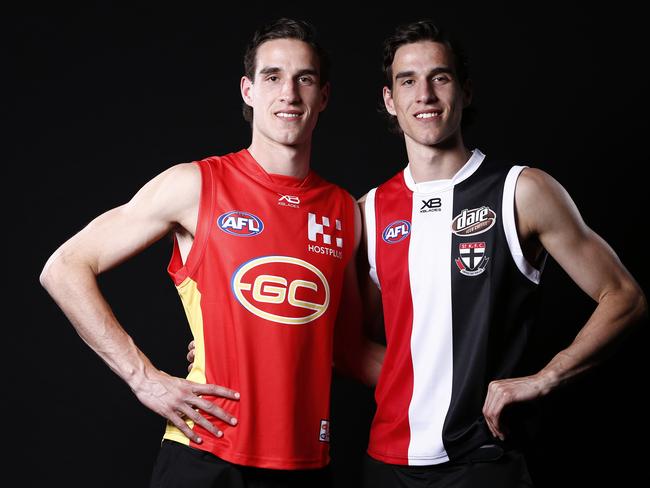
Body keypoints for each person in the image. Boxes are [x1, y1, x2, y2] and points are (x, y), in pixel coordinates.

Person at [40, 17, 381, 488]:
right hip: (205, 457)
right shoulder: (196, 185)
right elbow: (64, 267)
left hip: (306, 464)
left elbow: (346, 350)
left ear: (323, 96)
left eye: (305, 78)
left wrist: (461, 382)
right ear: (248, 90)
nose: (289, 93)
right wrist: (145, 378)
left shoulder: (345, 210)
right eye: (272, 77)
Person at [357, 20, 647, 487]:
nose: (424, 94)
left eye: (440, 77)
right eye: (407, 81)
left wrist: (546, 377)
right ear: (391, 100)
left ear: (465, 92)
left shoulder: (521, 191)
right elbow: (349, 339)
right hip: (388, 462)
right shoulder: (368, 211)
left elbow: (625, 298)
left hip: (486, 460)